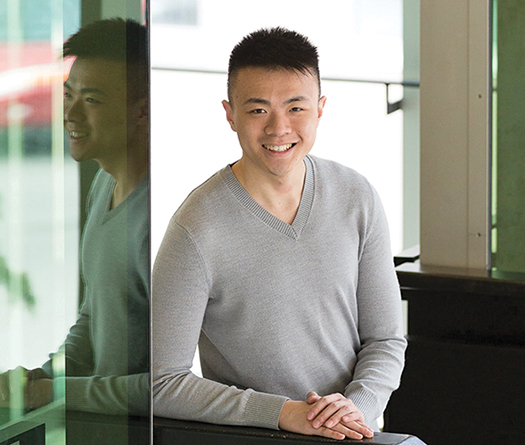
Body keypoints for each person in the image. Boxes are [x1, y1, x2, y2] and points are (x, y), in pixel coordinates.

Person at [153, 27, 406, 441]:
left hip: (353, 435)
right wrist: (284, 413)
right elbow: (162, 382)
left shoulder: (357, 196)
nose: (278, 128)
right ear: (229, 113)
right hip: (255, 438)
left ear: (320, 109)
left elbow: (386, 339)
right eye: (257, 111)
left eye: (295, 108)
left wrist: (354, 407)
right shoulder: (196, 227)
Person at [0, 18, 150, 417]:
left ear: (143, 110)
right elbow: (94, 315)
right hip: (103, 426)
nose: (71, 114)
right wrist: (44, 377)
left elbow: (170, 386)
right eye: (68, 96)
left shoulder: (159, 218)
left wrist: (56, 392)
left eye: (92, 100)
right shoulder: (104, 184)